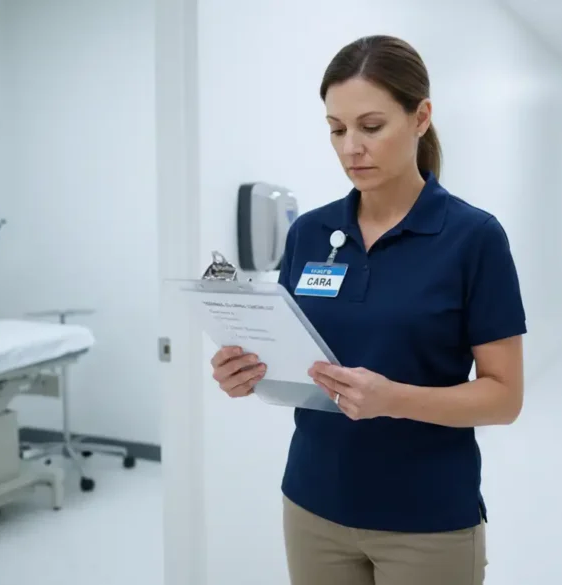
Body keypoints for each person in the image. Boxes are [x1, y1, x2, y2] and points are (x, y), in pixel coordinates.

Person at [210, 35, 526, 585]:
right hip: (313, 505)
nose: (350, 146)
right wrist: (248, 374)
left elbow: (504, 397)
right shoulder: (310, 232)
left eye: (371, 127)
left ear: (421, 117)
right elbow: (294, 359)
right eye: (336, 129)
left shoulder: (474, 238)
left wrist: (392, 399)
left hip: (425, 518)